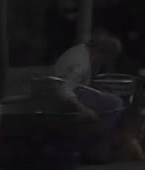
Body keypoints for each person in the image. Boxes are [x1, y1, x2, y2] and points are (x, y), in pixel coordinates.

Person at [50, 34, 125, 163]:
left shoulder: (81, 50)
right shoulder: (81, 65)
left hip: (69, 91)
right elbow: (65, 90)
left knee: (107, 98)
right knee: (115, 104)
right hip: (63, 97)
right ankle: (93, 145)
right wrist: (82, 108)